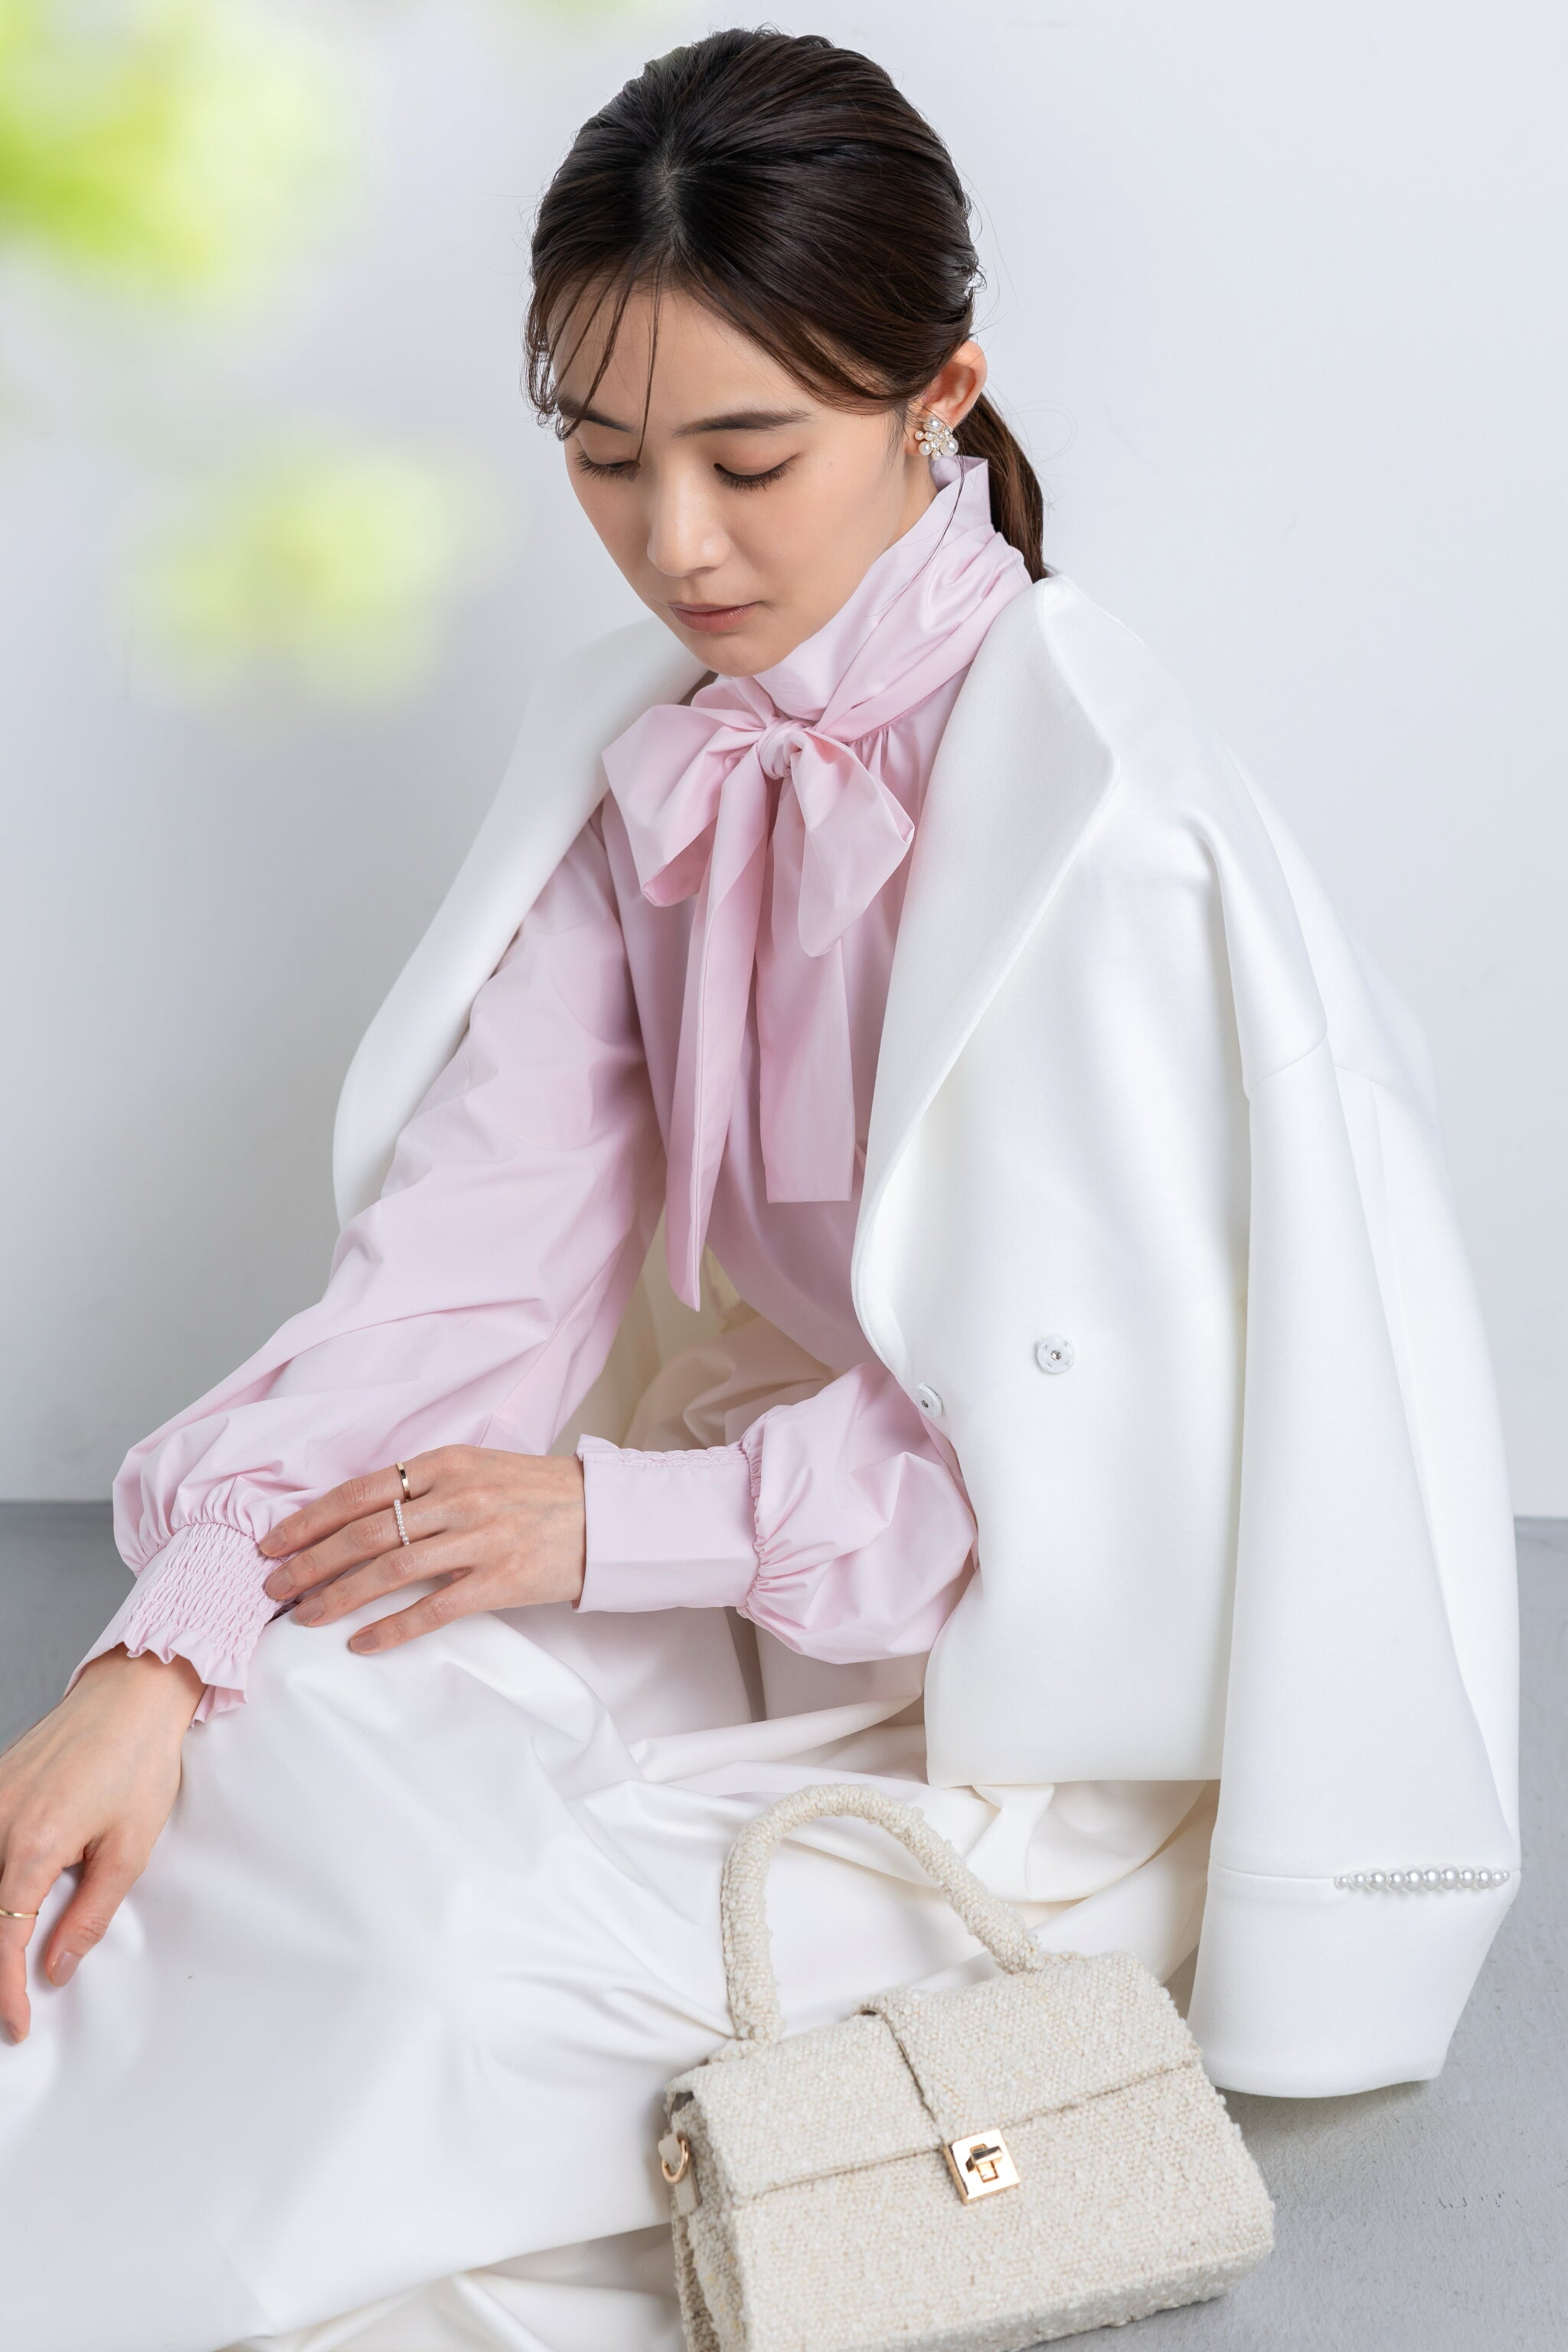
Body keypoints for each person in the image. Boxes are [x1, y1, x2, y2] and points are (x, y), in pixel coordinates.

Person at [0, 29, 1518, 2352]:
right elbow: (464, 1265)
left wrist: (610, 1527)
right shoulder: (657, 753)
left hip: (1034, 1716)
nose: (676, 544)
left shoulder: (1105, 836)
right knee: (263, 1756)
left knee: (437, 1971)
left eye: (749, 457)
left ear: (940, 397)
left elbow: (1084, 1480)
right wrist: (169, 1638)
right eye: (605, 460)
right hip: (721, 1562)